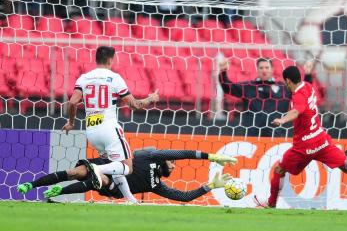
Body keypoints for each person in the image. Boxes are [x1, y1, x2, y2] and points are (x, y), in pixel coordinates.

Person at [254, 66, 347, 208]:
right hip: (321, 140)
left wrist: (283, 120)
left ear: (288, 81)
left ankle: (271, 204)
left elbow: (296, 111)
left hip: (304, 146)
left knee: (279, 169)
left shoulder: (298, 96)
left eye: (286, 82)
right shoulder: (308, 86)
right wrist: (308, 73)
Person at [59, 46, 159, 203]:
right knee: (127, 167)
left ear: (96, 58)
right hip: (109, 129)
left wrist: (71, 122)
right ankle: (96, 169)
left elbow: (72, 102)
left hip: (91, 132)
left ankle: (131, 200)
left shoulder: (84, 78)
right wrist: (151, 99)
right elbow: (134, 105)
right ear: (111, 59)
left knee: (116, 165)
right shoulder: (114, 78)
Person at [17, 148, 237, 203]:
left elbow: (184, 197)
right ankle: (32, 184)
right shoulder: (149, 155)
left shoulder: (156, 185)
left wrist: (210, 186)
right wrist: (211, 157)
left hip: (113, 188)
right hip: (110, 166)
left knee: (98, 180)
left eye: (174, 164)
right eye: (172, 162)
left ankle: (61, 190)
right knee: (79, 171)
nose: (174, 164)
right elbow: (182, 153)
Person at [218, 58, 314, 137]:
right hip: (252, 135)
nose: (264, 70)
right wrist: (223, 72)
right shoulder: (248, 87)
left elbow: (303, 92)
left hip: (276, 135)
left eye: (267, 67)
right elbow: (227, 87)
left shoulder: (284, 88)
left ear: (272, 69)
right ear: (257, 69)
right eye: (261, 68)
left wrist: (308, 74)